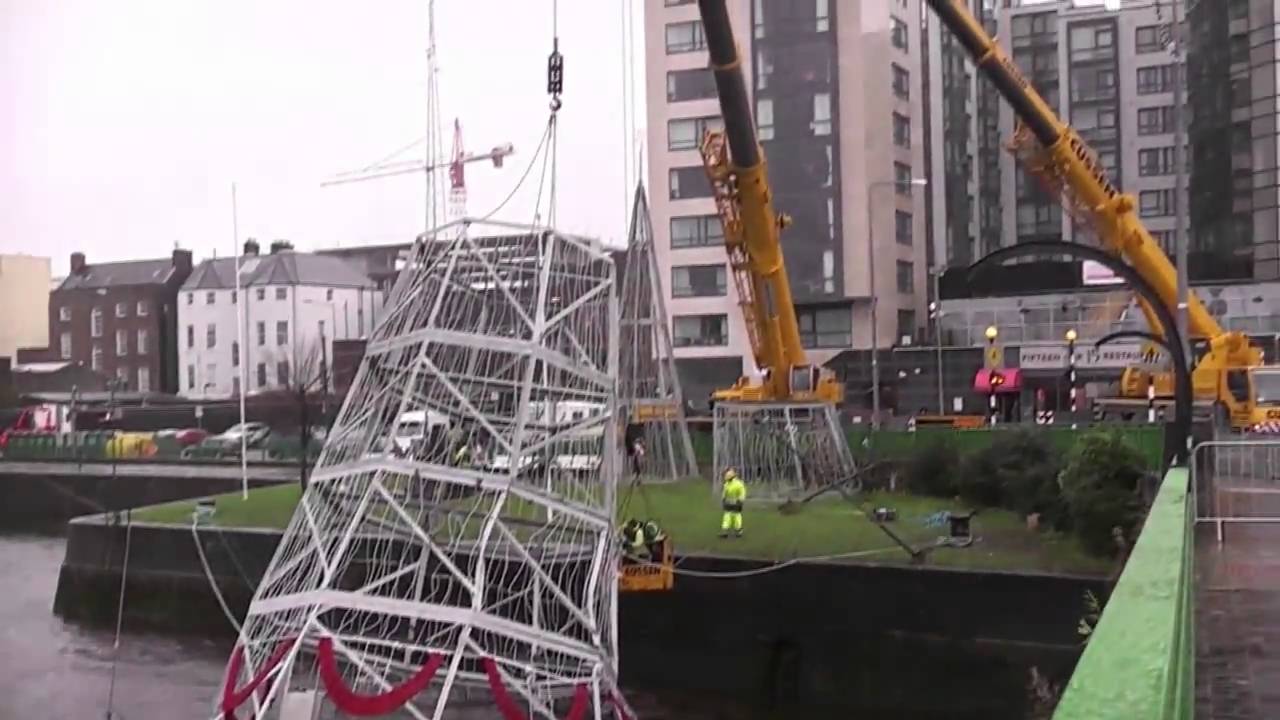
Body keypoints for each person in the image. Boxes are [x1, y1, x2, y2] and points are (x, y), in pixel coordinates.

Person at [720, 467, 746, 538]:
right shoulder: (739, 484)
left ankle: (725, 530)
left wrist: (723, 500)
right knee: (737, 516)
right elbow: (742, 493)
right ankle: (738, 530)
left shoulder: (726, 484)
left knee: (727, 516)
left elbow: (724, 494)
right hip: (737, 502)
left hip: (728, 502)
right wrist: (741, 500)